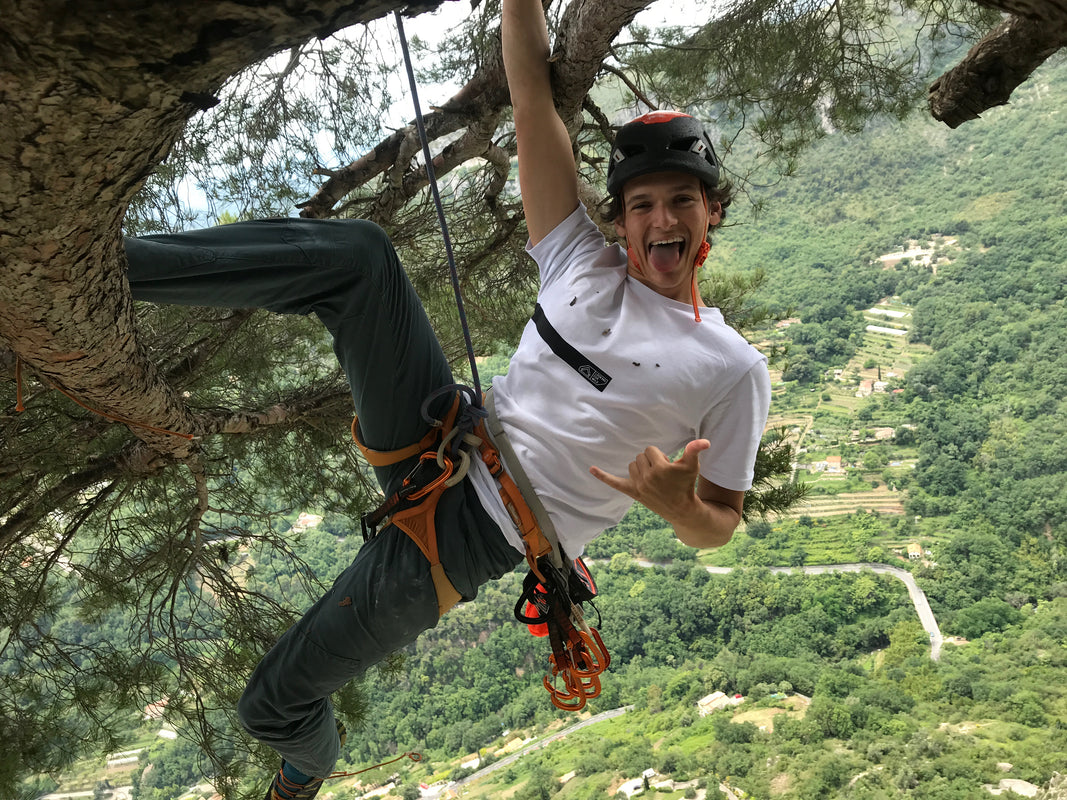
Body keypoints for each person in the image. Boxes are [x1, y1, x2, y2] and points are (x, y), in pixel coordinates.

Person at [123, 0, 769, 794]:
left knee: (272, 703)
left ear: (710, 213)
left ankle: (301, 775)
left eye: (680, 201)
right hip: (442, 432)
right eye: (641, 203)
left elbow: (720, 526)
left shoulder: (730, 367)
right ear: (621, 218)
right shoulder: (578, 260)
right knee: (359, 257)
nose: (660, 219)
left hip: (473, 537)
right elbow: (531, 98)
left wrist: (674, 506)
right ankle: (108, 267)